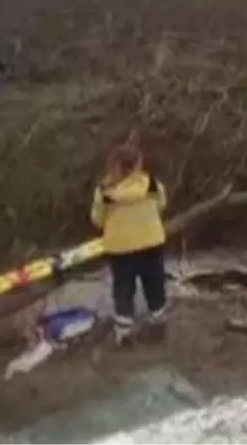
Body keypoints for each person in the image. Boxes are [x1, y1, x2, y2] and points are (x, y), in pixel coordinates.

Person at [90, 144, 169, 346]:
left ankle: (124, 334)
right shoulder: (151, 184)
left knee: (124, 289)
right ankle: (158, 327)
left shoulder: (105, 190)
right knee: (155, 285)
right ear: (137, 164)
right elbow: (161, 205)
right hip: (151, 243)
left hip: (121, 249)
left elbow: (98, 220)